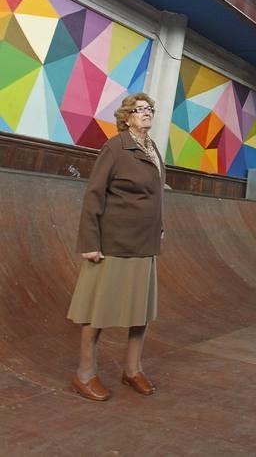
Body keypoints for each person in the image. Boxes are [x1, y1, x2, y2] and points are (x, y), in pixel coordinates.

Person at [67, 92, 165, 401]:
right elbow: (94, 195)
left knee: (141, 312)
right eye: (139, 109)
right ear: (126, 117)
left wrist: (158, 226)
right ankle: (84, 375)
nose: (146, 113)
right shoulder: (115, 147)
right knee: (97, 311)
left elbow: (154, 194)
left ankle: (132, 370)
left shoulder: (151, 148)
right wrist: (90, 243)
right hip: (113, 243)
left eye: (149, 108)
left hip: (144, 242)